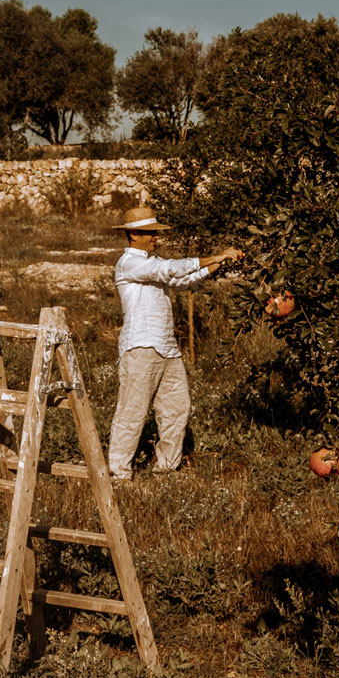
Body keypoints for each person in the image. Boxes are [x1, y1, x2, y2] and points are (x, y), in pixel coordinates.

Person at [107, 206, 244, 482]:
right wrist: (212, 256)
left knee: (176, 408)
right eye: (151, 233)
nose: (156, 237)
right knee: (132, 411)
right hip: (141, 347)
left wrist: (221, 262)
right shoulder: (130, 263)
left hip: (166, 348)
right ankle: (118, 474)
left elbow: (184, 279)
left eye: (156, 232)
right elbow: (169, 268)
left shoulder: (150, 264)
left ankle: (166, 469)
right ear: (134, 235)